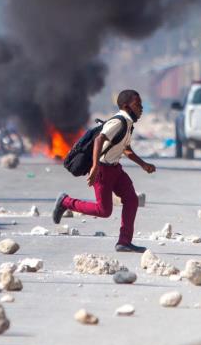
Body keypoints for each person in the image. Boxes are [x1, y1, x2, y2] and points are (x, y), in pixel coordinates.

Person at [52, 89, 156, 253]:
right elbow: (99, 139)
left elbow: (125, 149)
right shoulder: (118, 122)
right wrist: (94, 167)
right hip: (103, 170)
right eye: (137, 105)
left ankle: (124, 242)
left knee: (131, 200)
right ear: (126, 106)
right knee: (104, 211)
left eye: (141, 105)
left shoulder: (128, 124)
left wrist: (143, 164)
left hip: (115, 169)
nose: (141, 108)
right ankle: (65, 202)